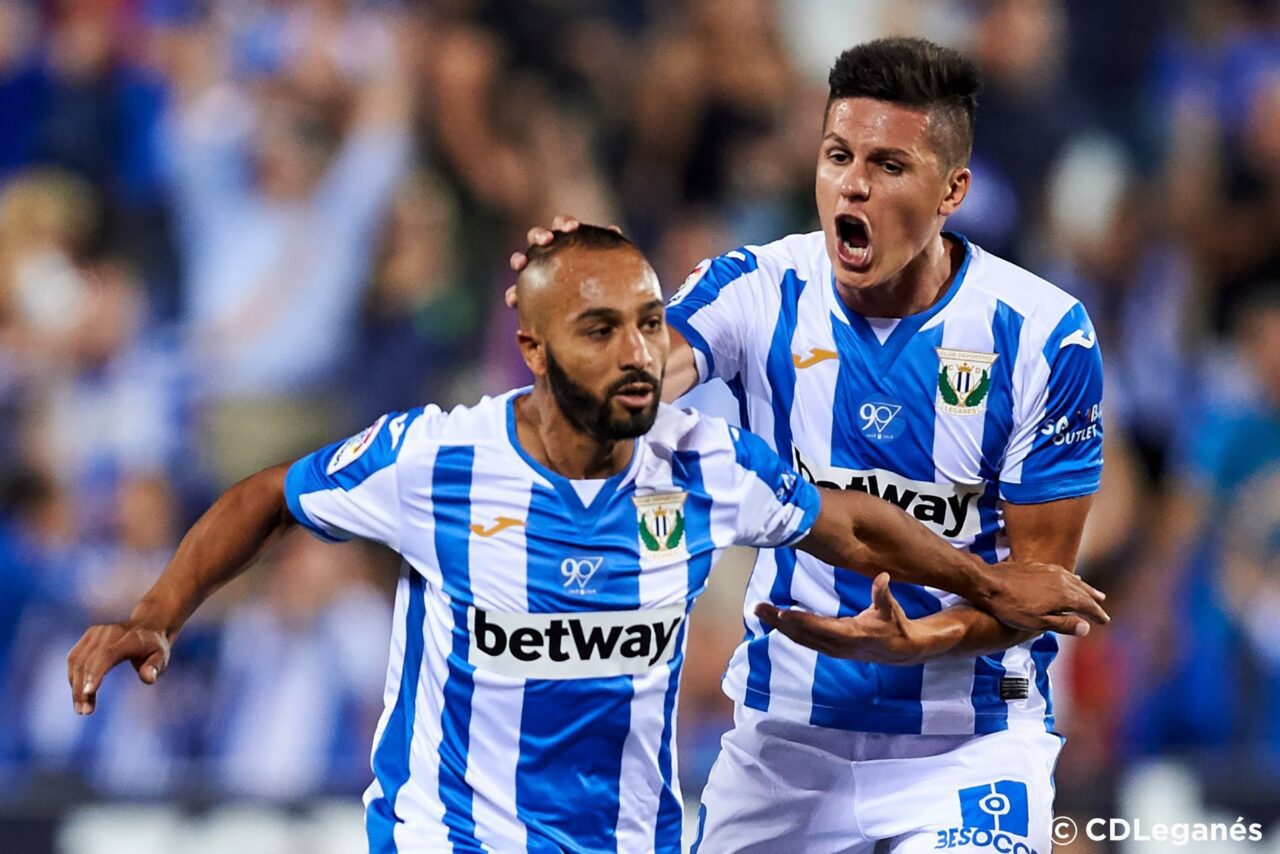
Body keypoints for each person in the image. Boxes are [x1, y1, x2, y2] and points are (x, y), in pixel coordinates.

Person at [69, 227, 1104, 852]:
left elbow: (851, 522)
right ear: (532, 349)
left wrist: (988, 581)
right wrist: (157, 613)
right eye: (599, 329)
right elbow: (269, 495)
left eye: (648, 323)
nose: (637, 353)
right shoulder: (437, 459)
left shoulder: (706, 463)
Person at [513, 38, 1106, 854]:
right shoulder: (756, 289)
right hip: (786, 738)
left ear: (952, 190)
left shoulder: (1044, 335)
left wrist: (918, 642)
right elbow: (638, 379)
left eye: (889, 165)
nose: (853, 184)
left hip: (968, 746)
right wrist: (588, 310)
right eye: (837, 156)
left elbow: (1034, 591)